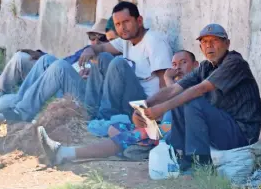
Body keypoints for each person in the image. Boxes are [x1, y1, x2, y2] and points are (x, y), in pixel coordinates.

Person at [0, 1, 172, 123]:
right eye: (118, 24)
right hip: (106, 99)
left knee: (117, 64)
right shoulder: (125, 41)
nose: (122, 28)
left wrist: (158, 118)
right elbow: (102, 49)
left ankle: (102, 116)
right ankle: (20, 108)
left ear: (139, 20)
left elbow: (166, 84)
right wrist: (91, 49)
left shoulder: (154, 41)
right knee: (55, 62)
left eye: (126, 22)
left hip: (140, 106)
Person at [37, 50, 199, 164]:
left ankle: (63, 153)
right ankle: (135, 147)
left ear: (196, 65)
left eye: (183, 63)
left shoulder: (197, 83)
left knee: (126, 137)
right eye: (174, 64)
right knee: (116, 127)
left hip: (174, 134)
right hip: (161, 129)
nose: (178, 68)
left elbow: (178, 109)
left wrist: (169, 81)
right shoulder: (177, 86)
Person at [140, 24, 261, 173]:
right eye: (204, 42)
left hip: (242, 133)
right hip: (222, 128)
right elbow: (174, 89)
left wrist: (162, 108)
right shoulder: (206, 67)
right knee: (181, 101)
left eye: (215, 40)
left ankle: (201, 166)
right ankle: (183, 160)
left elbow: (201, 89)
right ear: (200, 47)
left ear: (227, 43)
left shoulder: (235, 62)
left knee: (193, 102)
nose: (209, 45)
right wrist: (144, 105)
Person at [0, 18, 111, 112]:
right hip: (54, 80)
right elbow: (63, 62)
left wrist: (84, 78)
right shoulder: (86, 50)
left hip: (72, 95)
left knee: (4, 104)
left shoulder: (110, 59)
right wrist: (41, 55)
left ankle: (21, 106)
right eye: (92, 37)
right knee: (21, 58)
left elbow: (104, 92)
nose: (95, 42)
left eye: (102, 38)